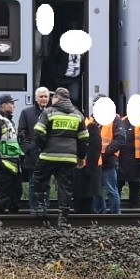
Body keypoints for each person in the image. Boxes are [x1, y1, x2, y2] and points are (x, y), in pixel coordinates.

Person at [32, 87, 89, 228]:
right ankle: (62, 220)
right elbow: (84, 139)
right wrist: (81, 157)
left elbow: (38, 131)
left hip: (48, 155)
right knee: (65, 187)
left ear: (57, 98)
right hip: (68, 158)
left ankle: (41, 207)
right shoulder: (78, 115)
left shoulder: (49, 112)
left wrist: (44, 146)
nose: (51, 99)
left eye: (53, 97)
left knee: (39, 178)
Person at [0, 94, 23, 213]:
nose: (14, 106)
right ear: (3, 105)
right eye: (11, 103)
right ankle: (1, 217)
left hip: (12, 163)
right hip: (3, 163)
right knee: (3, 192)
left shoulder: (8, 121)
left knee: (16, 191)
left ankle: (12, 213)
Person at [88, 94, 126, 214]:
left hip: (108, 162)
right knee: (96, 191)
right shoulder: (91, 120)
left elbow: (120, 139)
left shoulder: (115, 119)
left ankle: (115, 214)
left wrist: (106, 152)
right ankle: (100, 214)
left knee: (111, 190)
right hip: (95, 162)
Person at [18, 86, 51, 210]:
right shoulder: (26, 113)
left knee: (46, 184)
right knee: (33, 183)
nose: (43, 99)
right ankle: (33, 208)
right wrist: (27, 149)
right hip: (33, 155)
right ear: (36, 98)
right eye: (41, 96)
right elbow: (21, 132)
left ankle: (45, 207)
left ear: (49, 98)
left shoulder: (53, 112)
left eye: (45, 96)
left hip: (49, 154)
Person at [73, 116, 101, 214]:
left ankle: (86, 217)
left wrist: (90, 169)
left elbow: (95, 149)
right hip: (81, 166)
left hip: (88, 167)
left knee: (87, 196)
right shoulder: (83, 125)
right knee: (81, 196)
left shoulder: (90, 127)